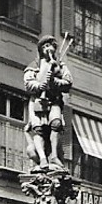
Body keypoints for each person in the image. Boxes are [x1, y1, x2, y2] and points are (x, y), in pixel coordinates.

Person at [22, 34, 73, 167]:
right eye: (44, 46)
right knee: (38, 129)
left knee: (55, 124)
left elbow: (68, 83)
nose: (47, 48)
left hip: (54, 100)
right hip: (37, 101)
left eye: (49, 45)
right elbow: (27, 82)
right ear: (40, 50)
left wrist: (54, 81)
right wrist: (39, 85)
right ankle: (43, 158)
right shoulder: (35, 65)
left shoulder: (60, 65)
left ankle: (54, 156)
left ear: (54, 48)